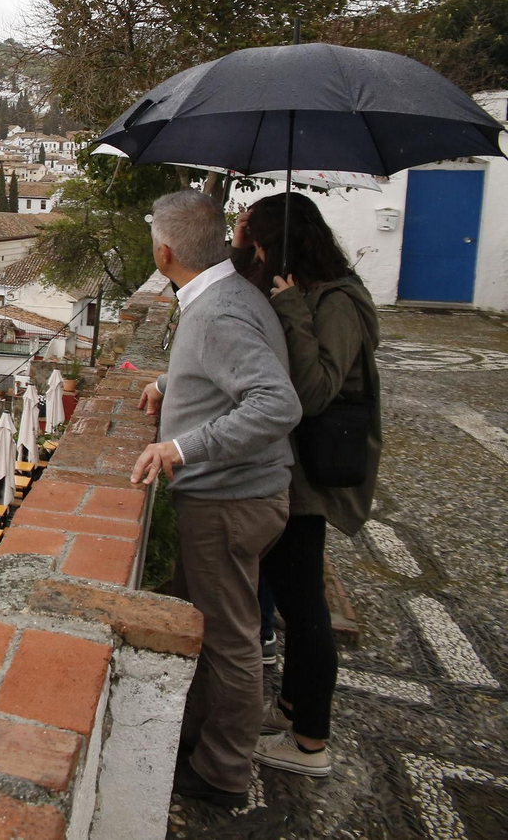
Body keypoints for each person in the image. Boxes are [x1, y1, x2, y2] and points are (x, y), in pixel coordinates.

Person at [133, 189, 302, 808]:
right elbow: (220, 367)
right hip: (236, 496)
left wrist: (181, 448)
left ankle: (224, 772)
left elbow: (277, 404)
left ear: (164, 254)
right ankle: (196, 738)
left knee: (230, 640)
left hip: (231, 500)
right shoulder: (226, 294)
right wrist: (167, 383)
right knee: (203, 624)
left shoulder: (217, 312)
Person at [231, 192, 381, 779]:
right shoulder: (303, 288)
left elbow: (314, 393)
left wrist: (291, 307)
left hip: (312, 473)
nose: (257, 256)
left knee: (304, 606)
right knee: (293, 593)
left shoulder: (337, 302)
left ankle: (311, 741)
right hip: (288, 466)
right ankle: (294, 706)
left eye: (262, 246)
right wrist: (241, 248)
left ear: (285, 248)